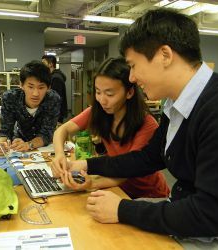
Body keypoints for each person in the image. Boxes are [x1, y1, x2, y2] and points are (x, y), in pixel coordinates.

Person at [51, 9, 218, 250]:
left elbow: (210, 215)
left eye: (133, 65)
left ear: (165, 55)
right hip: (187, 221)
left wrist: (123, 210)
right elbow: (147, 158)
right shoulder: (177, 104)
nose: (131, 77)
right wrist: (85, 165)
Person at [52, 57, 170, 199]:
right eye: (98, 92)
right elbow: (62, 130)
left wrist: (92, 183)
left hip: (149, 195)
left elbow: (128, 169)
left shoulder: (147, 124)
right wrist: (59, 155)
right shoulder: (98, 110)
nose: (102, 100)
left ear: (129, 92)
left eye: (109, 94)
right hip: (117, 188)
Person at [0, 60, 60, 155]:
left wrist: (29, 145)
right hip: (18, 142)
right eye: (30, 87)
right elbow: (5, 130)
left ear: (48, 88)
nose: (35, 93)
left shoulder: (53, 99)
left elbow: (46, 134)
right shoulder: (10, 98)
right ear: (21, 85)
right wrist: (1, 143)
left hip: (44, 148)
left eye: (41, 88)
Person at [42, 55, 68, 123]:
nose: (42, 65)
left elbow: (55, 98)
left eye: (43, 63)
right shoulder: (52, 76)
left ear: (50, 64)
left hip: (56, 114)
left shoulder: (56, 78)